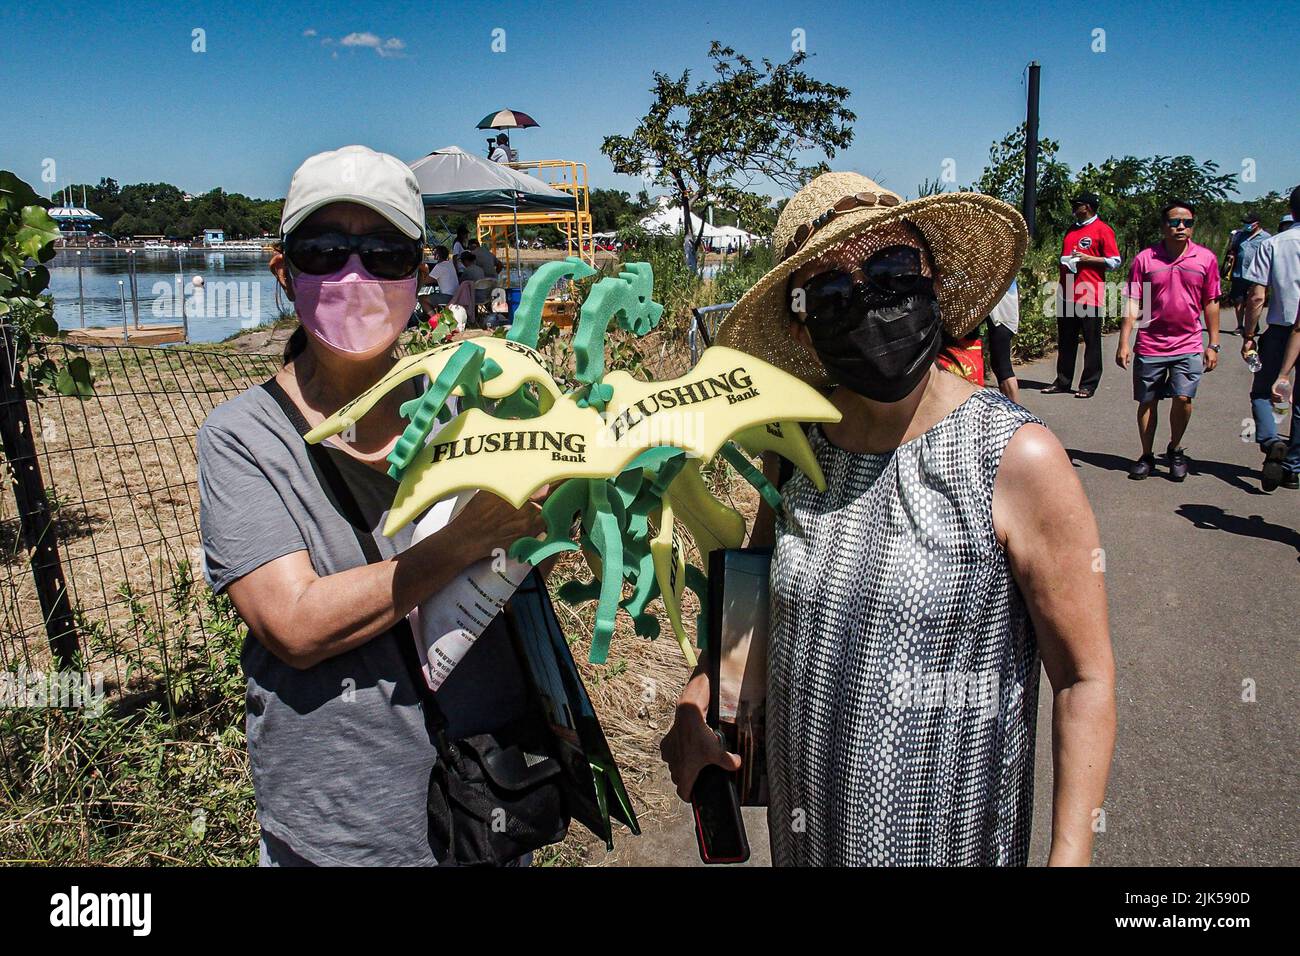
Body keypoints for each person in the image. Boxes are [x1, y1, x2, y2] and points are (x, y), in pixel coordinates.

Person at [661, 172, 1116, 866]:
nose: (870, 300)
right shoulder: (797, 450)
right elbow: (754, 611)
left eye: (892, 268)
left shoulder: (1015, 457)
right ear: (803, 323)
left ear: (930, 271)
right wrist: (698, 701)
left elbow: (1084, 680)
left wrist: (1071, 854)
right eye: (834, 293)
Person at [196, 145, 545, 866]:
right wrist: (467, 538)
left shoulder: (466, 409)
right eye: (324, 250)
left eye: (384, 254)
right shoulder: (243, 439)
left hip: (485, 800)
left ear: (420, 277)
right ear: (283, 271)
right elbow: (294, 624)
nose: (354, 276)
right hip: (340, 829)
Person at [1115, 200, 1221, 481]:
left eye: (1187, 222)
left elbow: (1211, 301)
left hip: (1188, 343)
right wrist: (1124, 341)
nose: (1181, 227)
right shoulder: (1145, 260)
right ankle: (1147, 455)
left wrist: (1213, 343)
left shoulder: (1205, 259)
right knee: (1147, 400)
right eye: (1174, 222)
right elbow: (1133, 301)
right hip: (1151, 342)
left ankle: (1174, 449)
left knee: (1184, 398)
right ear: (1164, 226)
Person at [1242, 185, 1300, 491]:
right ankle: (1293, 467)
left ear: (1292, 211)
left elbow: (1256, 297)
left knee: (1262, 392)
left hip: (1279, 328)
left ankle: (1270, 439)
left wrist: (1249, 335)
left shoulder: (1274, 244)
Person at [1045, 192, 1121, 399]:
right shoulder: (1072, 230)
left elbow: (1115, 261)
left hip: (1089, 294)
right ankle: (1062, 381)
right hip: (1067, 292)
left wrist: (1089, 259)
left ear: (1087, 207)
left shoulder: (1102, 230)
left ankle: (1088, 384)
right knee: (1066, 340)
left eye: (1076, 204)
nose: (1073, 207)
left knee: (1091, 341)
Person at [1229, 213, 1271, 334]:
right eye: (1245, 223)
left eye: (1248, 223)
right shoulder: (1240, 235)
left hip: (1256, 274)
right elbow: (1233, 249)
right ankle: (1240, 326)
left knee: (1254, 300)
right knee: (1238, 300)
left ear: (1256, 224)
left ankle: (1252, 324)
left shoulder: (1266, 238)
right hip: (1239, 273)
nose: (1246, 225)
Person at [985, 280, 1021, 403]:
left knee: (1002, 366)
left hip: (1003, 313)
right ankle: (1010, 407)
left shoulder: (1002, 269)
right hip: (1000, 311)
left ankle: (1014, 410)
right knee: (998, 363)